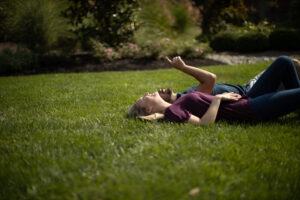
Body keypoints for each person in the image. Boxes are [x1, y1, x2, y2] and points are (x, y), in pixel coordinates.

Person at [128, 56, 300, 125]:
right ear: (150, 108)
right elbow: (204, 125)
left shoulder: (175, 107)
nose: (145, 94)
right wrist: (218, 99)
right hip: (250, 109)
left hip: (246, 99)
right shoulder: (173, 110)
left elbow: (159, 115)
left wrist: (152, 116)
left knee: (284, 61)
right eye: (142, 99)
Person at [158, 56, 300, 103]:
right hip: (250, 95)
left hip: (248, 87)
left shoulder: (184, 95)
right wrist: (183, 67)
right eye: (157, 95)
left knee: (294, 64)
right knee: (285, 62)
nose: (158, 90)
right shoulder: (187, 99)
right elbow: (210, 79)